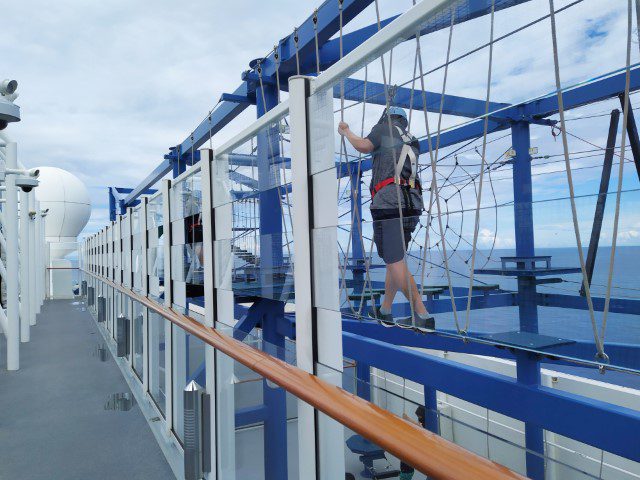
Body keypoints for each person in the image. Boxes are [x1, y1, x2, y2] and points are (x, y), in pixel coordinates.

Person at [338, 107, 434, 330]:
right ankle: (385, 310)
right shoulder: (413, 140)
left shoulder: (383, 129)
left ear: (386, 118)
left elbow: (364, 146)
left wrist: (347, 132)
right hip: (412, 203)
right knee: (396, 259)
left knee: (394, 260)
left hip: (389, 203)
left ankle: (422, 314)